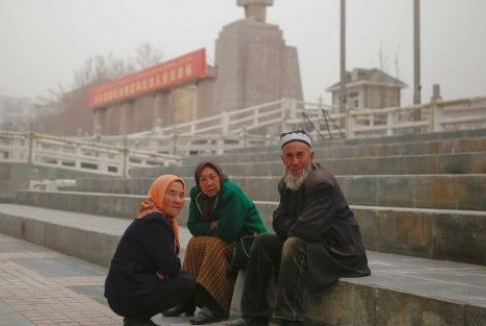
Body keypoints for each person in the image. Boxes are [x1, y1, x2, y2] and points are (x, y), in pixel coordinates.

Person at [227, 130, 371, 326]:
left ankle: (289, 317)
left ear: (311, 156)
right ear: (282, 159)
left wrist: (292, 225)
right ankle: (254, 314)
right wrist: (294, 225)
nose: (295, 162)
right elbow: (278, 221)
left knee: (293, 244)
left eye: (300, 155)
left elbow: (307, 230)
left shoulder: (322, 183)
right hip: (314, 243)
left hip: (339, 252)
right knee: (262, 242)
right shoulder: (286, 183)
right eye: (289, 156)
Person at [163, 161, 266, 324]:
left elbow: (229, 232)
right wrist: (212, 225)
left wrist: (211, 228)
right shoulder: (196, 194)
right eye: (203, 179)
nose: (209, 183)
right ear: (198, 182)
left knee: (215, 245)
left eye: (213, 177)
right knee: (194, 243)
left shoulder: (231, 194)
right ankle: (187, 300)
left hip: (247, 243)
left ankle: (216, 306)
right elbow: (192, 226)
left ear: (220, 177)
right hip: (225, 239)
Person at [105, 175, 195, 326]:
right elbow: (171, 266)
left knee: (183, 278)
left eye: (181, 195)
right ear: (159, 193)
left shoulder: (150, 214)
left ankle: (137, 319)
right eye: (172, 193)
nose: (178, 200)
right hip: (126, 293)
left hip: (122, 291)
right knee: (186, 284)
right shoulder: (155, 221)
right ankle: (136, 320)